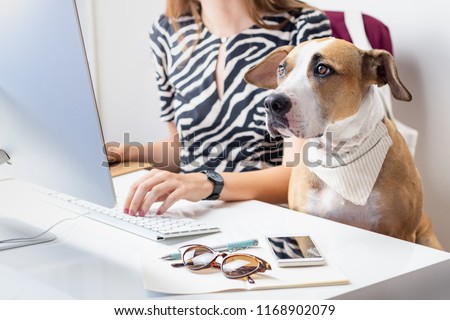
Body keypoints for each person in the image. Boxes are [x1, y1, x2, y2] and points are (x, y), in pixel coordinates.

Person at [108, 0, 331, 216]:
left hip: (266, 216)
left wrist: (206, 183)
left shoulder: (303, 25)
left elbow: (299, 175)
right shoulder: (167, 32)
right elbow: (185, 147)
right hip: (189, 212)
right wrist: (128, 153)